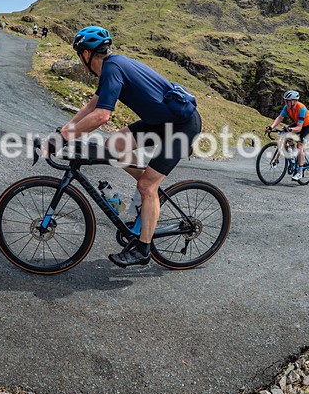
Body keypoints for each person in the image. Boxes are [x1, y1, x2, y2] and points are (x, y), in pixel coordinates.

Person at [58, 26, 201, 268]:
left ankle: (143, 249)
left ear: (86, 54)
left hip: (182, 126)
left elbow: (103, 116)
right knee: (112, 147)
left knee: (146, 185)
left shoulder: (113, 68)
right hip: (160, 122)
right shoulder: (113, 67)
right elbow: (94, 104)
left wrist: (65, 137)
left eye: (79, 55)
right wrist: (65, 130)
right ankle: (150, 190)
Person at [266, 90, 309, 181]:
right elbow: (280, 118)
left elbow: (299, 128)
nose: (286, 102)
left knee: (300, 146)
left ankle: (299, 172)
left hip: (307, 126)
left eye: (288, 101)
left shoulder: (302, 109)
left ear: (294, 101)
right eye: (285, 100)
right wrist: (271, 126)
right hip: (298, 124)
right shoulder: (287, 107)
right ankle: (290, 155)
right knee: (285, 136)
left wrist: (290, 129)